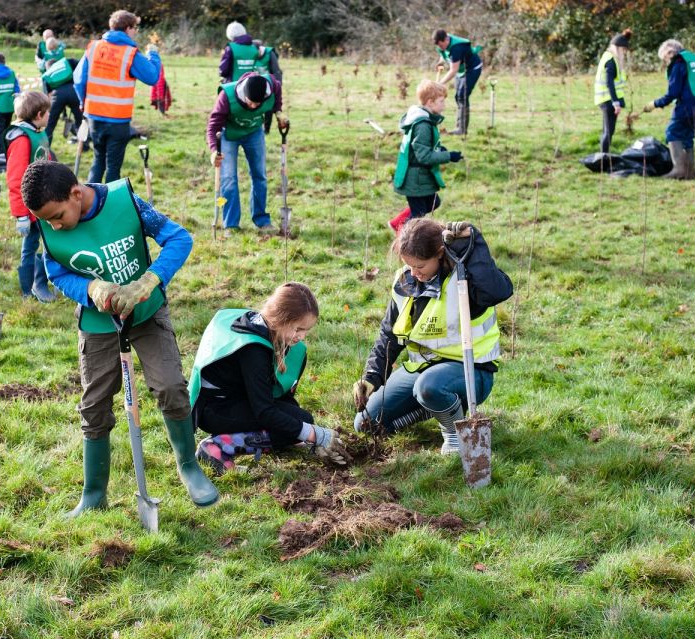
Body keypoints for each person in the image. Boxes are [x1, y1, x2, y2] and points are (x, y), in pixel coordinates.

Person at [19, 160, 218, 515]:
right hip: (98, 324)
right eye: (46, 220)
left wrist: (149, 281)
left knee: (171, 386)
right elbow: (57, 272)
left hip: (145, 313)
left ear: (76, 194)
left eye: (58, 215)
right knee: (94, 404)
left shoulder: (125, 203)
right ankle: (94, 494)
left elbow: (178, 238)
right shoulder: (50, 228)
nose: (54, 225)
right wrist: (91, 288)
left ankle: (189, 466)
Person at [352, 219, 512, 455]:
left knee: (429, 387)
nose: (415, 274)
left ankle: (454, 436)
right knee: (365, 423)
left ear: (439, 253)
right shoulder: (405, 281)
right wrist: (372, 377)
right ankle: (436, 409)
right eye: (409, 265)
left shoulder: (464, 280)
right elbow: (389, 334)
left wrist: (472, 242)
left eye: (420, 266)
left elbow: (498, 291)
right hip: (422, 369)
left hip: (470, 372)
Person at [189, 282, 350, 474]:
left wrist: (305, 434)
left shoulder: (274, 333)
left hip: (240, 399)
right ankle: (219, 447)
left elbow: (281, 398)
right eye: (298, 329)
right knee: (295, 426)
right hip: (215, 409)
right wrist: (314, 434)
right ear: (280, 318)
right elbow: (264, 412)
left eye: (306, 330)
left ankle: (263, 438)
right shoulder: (254, 350)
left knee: (301, 420)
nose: (302, 336)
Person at [74, 10, 161, 183]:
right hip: (118, 119)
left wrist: (82, 102)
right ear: (128, 28)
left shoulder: (94, 47)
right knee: (113, 167)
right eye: (135, 28)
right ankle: (110, 206)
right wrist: (153, 54)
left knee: (98, 161)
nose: (136, 31)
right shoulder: (130, 53)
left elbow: (79, 79)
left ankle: (91, 206)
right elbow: (152, 77)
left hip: (94, 116)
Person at [206, 72, 283, 236]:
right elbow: (213, 126)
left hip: (254, 132)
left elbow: (278, 88)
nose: (254, 107)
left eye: (258, 103)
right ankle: (231, 225)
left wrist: (278, 111)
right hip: (229, 135)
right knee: (228, 179)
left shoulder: (271, 86)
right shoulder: (226, 96)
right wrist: (214, 150)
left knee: (260, 175)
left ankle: (262, 220)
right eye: (251, 102)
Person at [389, 80, 462, 232]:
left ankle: (398, 223)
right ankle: (404, 239)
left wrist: (439, 149)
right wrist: (448, 156)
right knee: (418, 217)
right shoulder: (422, 125)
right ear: (430, 102)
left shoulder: (426, 120)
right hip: (415, 178)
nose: (444, 105)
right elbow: (424, 156)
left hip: (421, 176)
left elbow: (423, 147)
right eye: (441, 101)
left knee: (433, 203)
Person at [5, 91, 57, 301]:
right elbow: (16, 179)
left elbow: (46, 155)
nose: (49, 117)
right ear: (38, 114)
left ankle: (41, 283)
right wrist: (21, 215)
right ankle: (28, 289)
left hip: (46, 200)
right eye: (48, 113)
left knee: (49, 244)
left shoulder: (38, 132)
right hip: (30, 207)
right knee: (30, 246)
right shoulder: (21, 140)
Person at [643, 40, 695, 179]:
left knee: (672, 132)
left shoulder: (679, 63)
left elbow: (673, 92)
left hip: (687, 105)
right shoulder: (693, 59)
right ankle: (690, 171)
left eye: (665, 58)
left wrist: (655, 104)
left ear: (670, 52)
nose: (666, 62)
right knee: (687, 136)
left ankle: (679, 170)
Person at [218, 22, 283, 133]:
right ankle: (256, 131)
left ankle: (233, 133)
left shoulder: (231, 48)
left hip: (234, 87)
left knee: (231, 113)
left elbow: (223, 70)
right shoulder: (254, 48)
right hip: (253, 84)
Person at [433, 29, 483, 136]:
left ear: (446, 39)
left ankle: (462, 129)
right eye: (439, 46)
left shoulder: (457, 48)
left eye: (441, 45)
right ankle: (459, 127)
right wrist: (441, 62)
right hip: (461, 70)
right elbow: (444, 53)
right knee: (458, 97)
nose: (440, 48)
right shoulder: (444, 41)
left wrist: (440, 83)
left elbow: (453, 70)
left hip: (472, 68)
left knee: (462, 96)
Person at [593, 29, 632, 154]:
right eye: (624, 50)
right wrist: (615, 103)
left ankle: (605, 156)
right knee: (608, 131)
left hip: (608, 99)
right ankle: (604, 158)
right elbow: (610, 84)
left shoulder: (610, 58)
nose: (624, 53)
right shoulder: (611, 61)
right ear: (618, 48)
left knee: (608, 130)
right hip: (608, 100)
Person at [42, 54, 82, 146]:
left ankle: (45, 146)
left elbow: (46, 97)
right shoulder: (67, 62)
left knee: (50, 123)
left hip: (57, 96)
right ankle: (84, 146)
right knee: (79, 120)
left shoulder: (46, 76)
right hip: (74, 92)